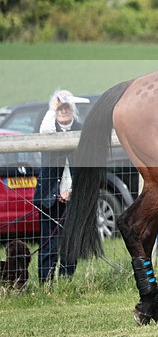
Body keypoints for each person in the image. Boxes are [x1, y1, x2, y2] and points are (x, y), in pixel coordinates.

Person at [34, 89, 87, 283]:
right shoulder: (48, 126)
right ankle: (45, 284)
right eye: (59, 108)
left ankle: (66, 282)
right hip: (49, 196)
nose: (63, 111)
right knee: (48, 244)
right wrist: (53, 107)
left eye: (67, 107)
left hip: (74, 195)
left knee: (70, 243)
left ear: (73, 109)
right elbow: (44, 132)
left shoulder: (81, 129)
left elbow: (85, 167)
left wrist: (72, 190)